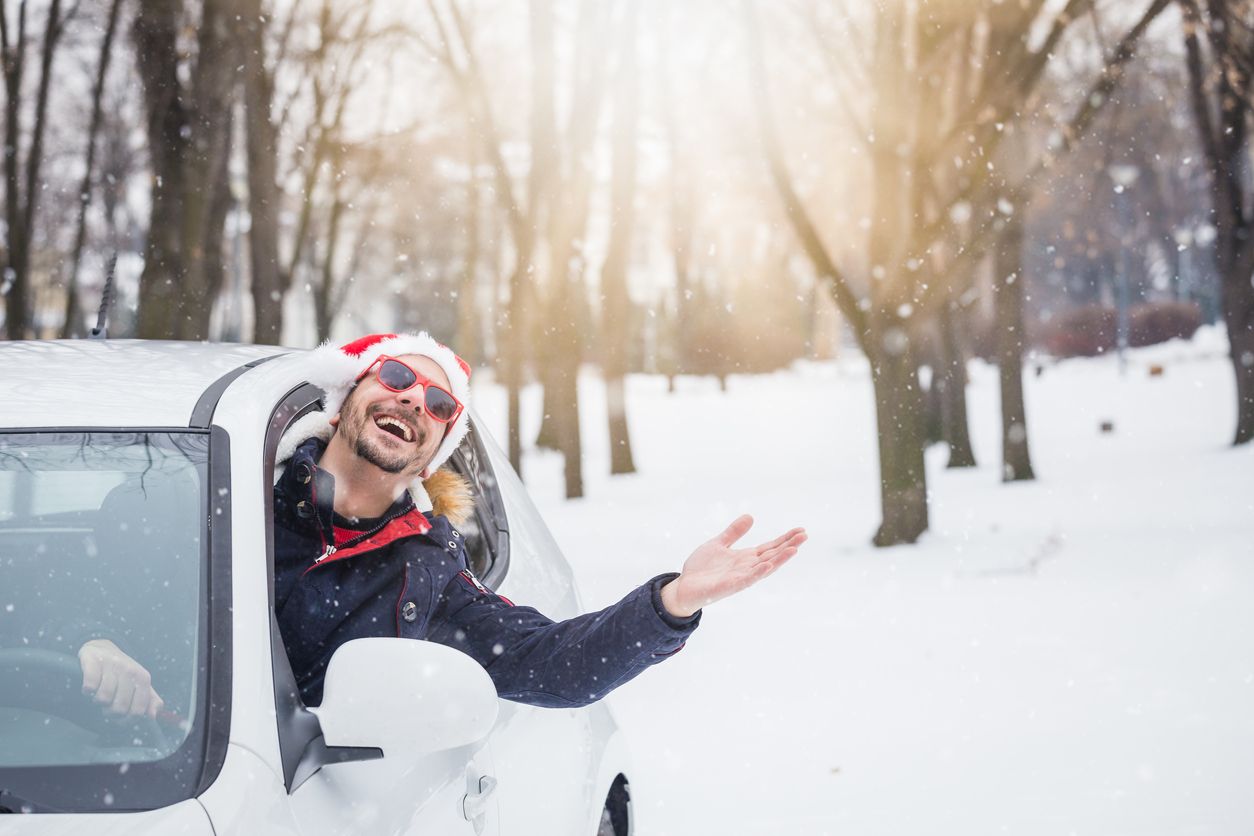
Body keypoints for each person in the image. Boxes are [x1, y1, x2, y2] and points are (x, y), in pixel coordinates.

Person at [82, 332, 807, 714]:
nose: (412, 403)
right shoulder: (208, 499)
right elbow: (82, 599)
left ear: (434, 455)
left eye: (438, 405)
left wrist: (672, 603)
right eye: (396, 378)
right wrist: (95, 640)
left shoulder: (426, 575)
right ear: (346, 399)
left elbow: (555, 666)